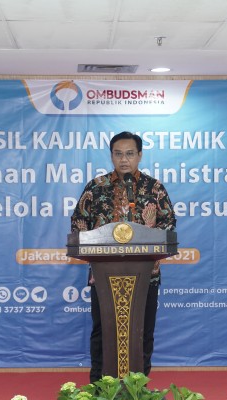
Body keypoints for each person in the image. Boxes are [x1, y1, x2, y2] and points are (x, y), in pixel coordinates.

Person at [70, 131, 176, 383]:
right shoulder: (96, 187)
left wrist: (149, 234)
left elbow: (169, 224)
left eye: (129, 154)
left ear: (139, 155)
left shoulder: (154, 188)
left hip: (146, 276)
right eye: (118, 154)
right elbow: (78, 223)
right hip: (104, 276)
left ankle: (139, 386)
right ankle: (99, 386)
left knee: (143, 331)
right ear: (111, 156)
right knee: (103, 330)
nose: (124, 159)